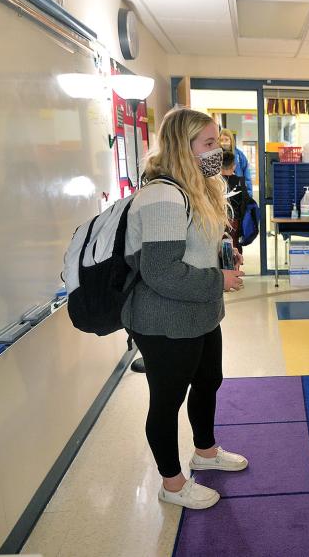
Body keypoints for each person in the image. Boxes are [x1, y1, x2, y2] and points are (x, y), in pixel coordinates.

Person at [123, 107, 248, 510]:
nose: (217, 151)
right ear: (183, 146)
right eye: (208, 144)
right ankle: (172, 484)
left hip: (200, 313)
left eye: (218, 142)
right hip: (164, 320)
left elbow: (196, 246)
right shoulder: (162, 196)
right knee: (167, 400)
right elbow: (161, 272)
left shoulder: (196, 187)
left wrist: (225, 255)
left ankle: (205, 453)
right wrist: (219, 281)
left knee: (208, 380)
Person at [222, 150, 246, 253]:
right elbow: (244, 203)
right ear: (234, 166)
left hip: (218, 220)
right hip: (235, 220)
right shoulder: (240, 182)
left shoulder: (215, 182)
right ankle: (234, 268)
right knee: (234, 247)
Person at [219, 128, 253, 196]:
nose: (224, 142)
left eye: (226, 139)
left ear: (231, 140)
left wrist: (249, 194)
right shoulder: (217, 155)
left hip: (238, 189)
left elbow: (247, 176)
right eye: (221, 140)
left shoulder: (239, 155)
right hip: (222, 190)